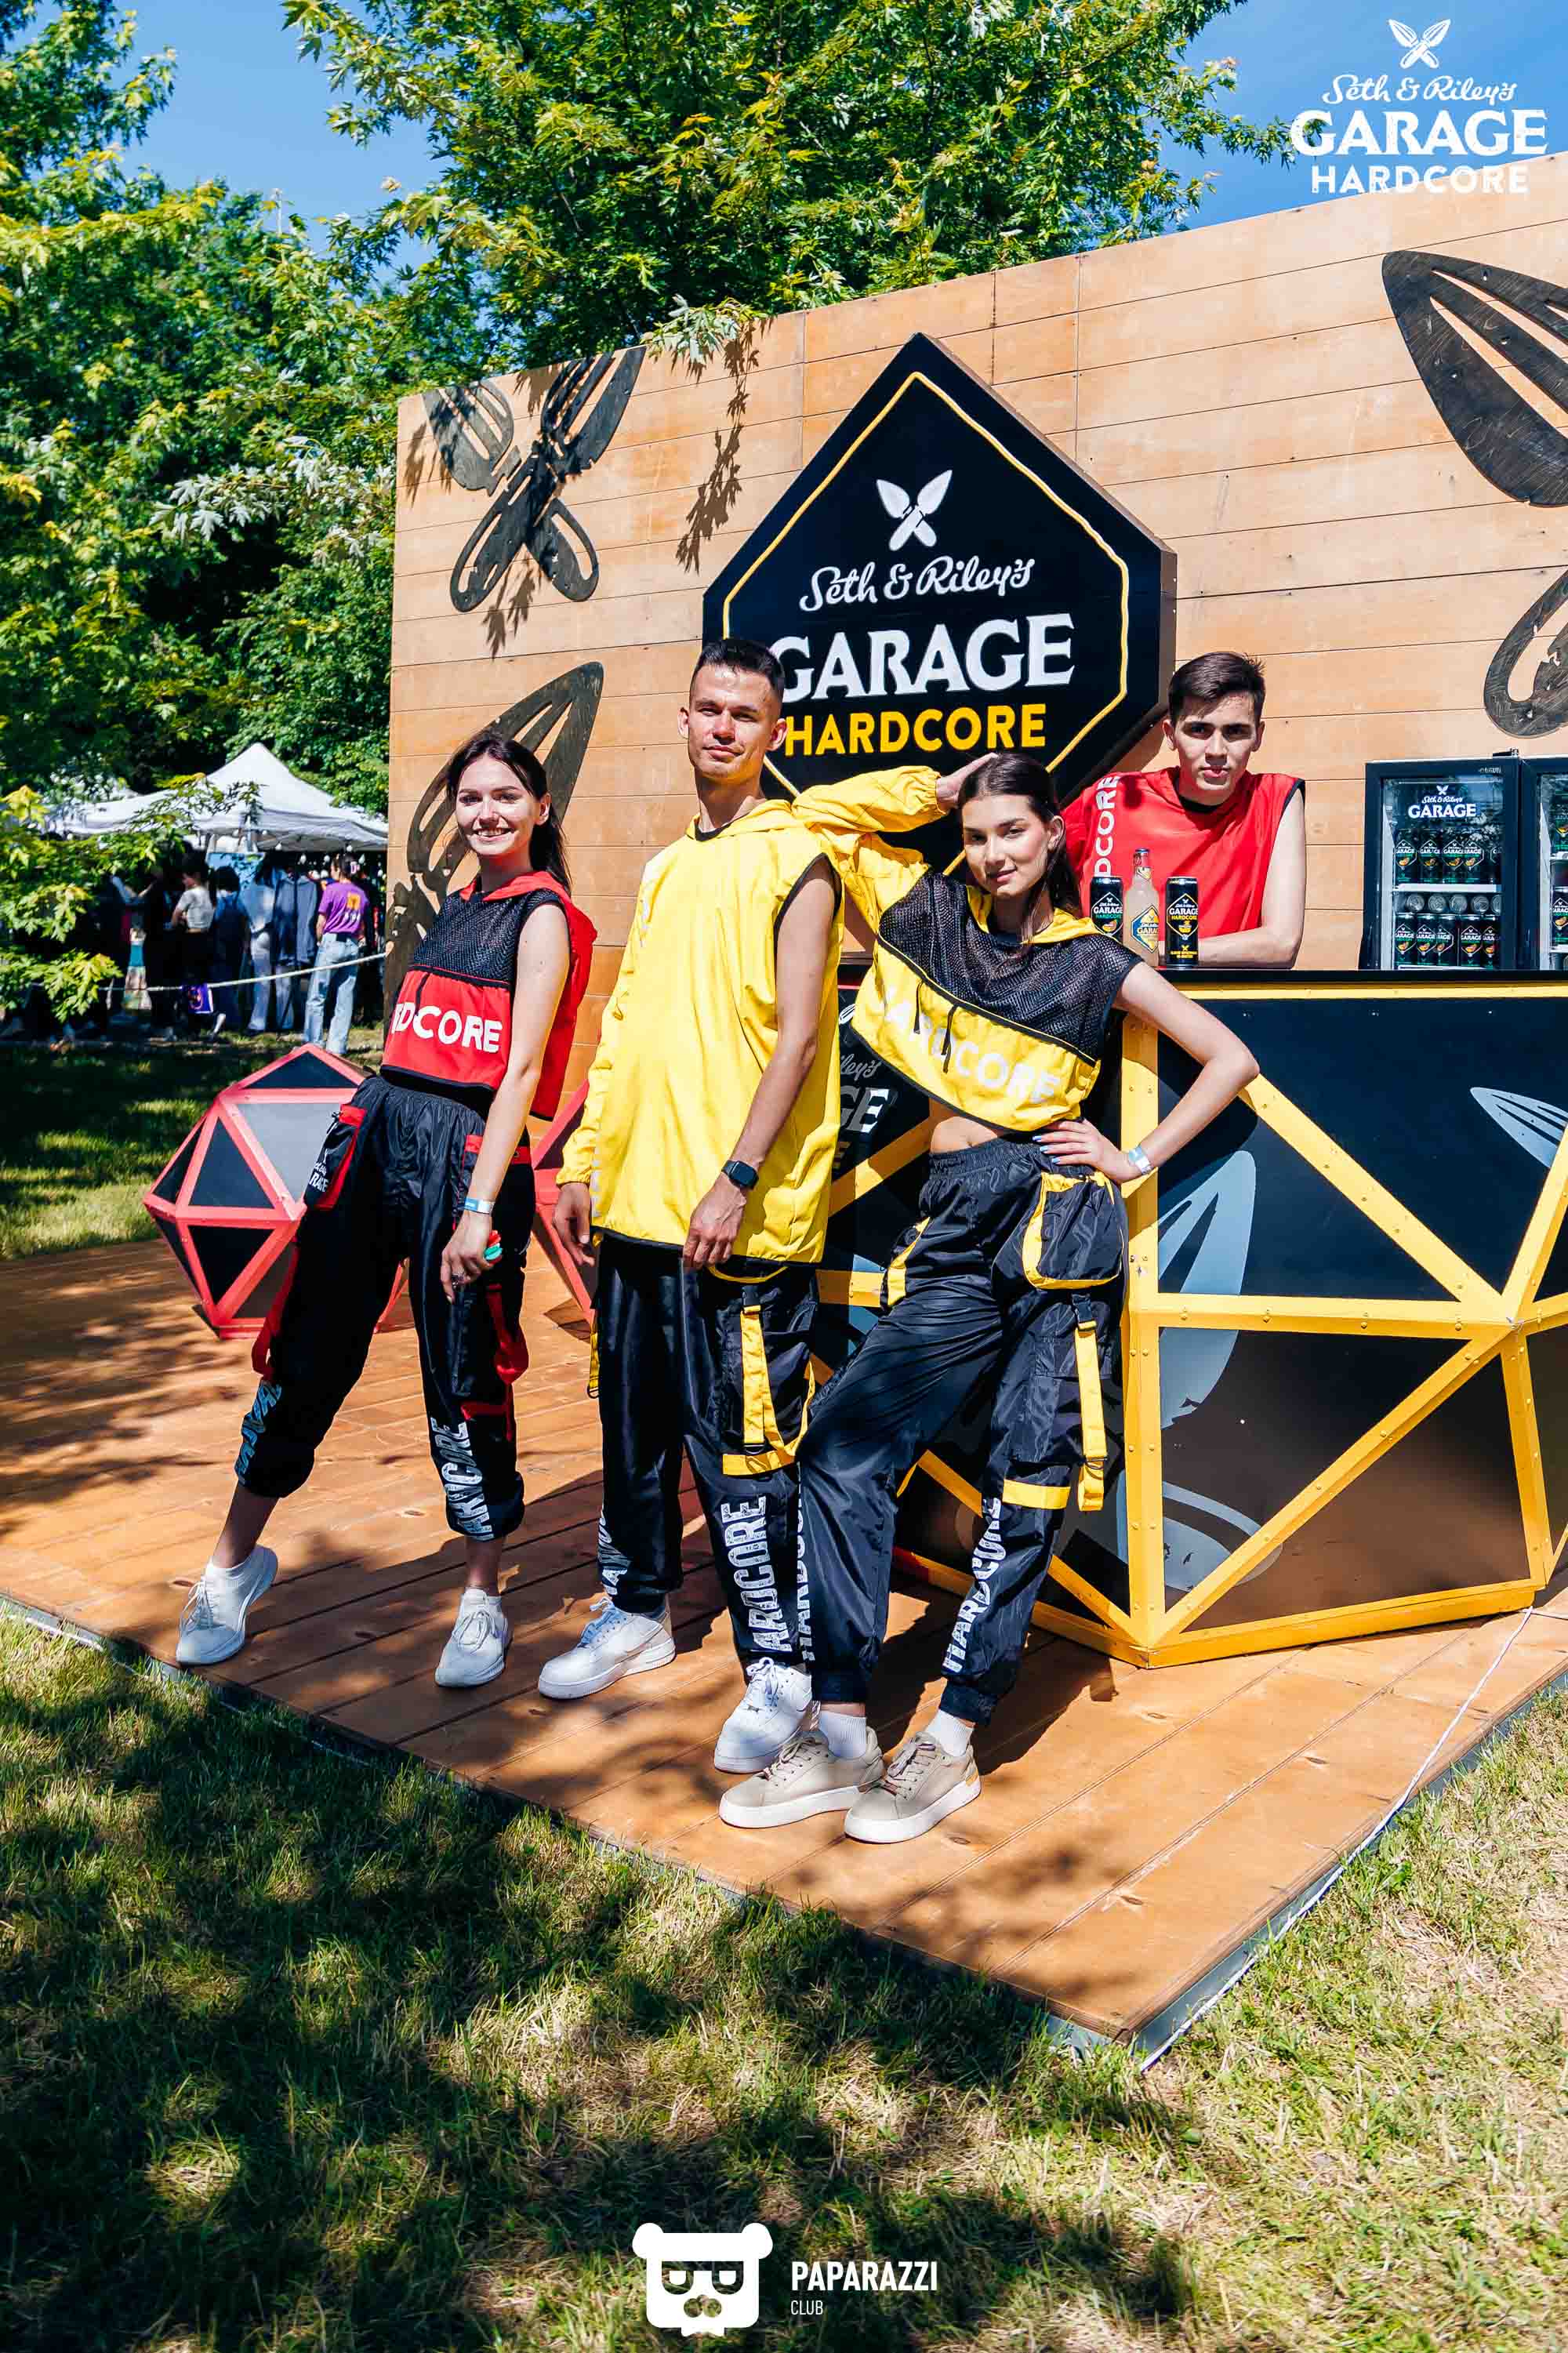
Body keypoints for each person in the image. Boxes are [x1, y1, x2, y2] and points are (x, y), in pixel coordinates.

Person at [717, 753, 1258, 1844]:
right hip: (956, 1223)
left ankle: (954, 1735)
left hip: (1057, 1226)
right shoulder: (923, 915)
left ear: (1052, 834)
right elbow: (816, 819)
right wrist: (936, 788)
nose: (992, 852)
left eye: (1011, 829)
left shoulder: (1095, 958)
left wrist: (1133, 1157)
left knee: (1030, 1476)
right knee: (842, 1447)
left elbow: (1228, 1057)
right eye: (975, 835)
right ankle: (841, 1729)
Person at [175, 732, 597, 1688]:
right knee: (307, 1345)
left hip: (467, 1155)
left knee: (466, 1370)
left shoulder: (544, 915)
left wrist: (478, 1208)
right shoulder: (457, 905)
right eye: (469, 797)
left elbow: (521, 1073)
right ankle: (230, 1567)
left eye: (504, 795)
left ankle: (482, 1597)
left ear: (540, 808)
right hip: (378, 1136)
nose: (485, 812)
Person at [542, 638, 842, 1777]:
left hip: (738, 1224)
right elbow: (622, 1028)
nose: (722, 727)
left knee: (745, 1455)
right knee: (632, 1433)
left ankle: (781, 1664)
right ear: (682, 719)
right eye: (708, 708)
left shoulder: (798, 855)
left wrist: (738, 1176)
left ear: (775, 732)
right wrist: (584, 1159)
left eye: (744, 714)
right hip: (634, 1209)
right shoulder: (667, 866)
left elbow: (801, 1037)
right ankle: (637, 1610)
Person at [1062, 651, 1306, 968]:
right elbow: (1037, 882)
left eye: (1235, 732)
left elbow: (1281, 945)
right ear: (1170, 735)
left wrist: (1147, 952)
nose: (1216, 750)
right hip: (1108, 992)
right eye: (1199, 730)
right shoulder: (1110, 795)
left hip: (1212, 996)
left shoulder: (1274, 797)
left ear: (1258, 737)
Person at [303, 855, 368, 1053]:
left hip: (332, 942)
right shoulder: (361, 894)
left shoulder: (332, 890)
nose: (331, 871)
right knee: (345, 998)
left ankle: (314, 1043)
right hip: (352, 944)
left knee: (317, 995)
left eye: (333, 867)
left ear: (339, 870)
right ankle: (337, 1046)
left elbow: (321, 922)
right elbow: (362, 926)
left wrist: (319, 940)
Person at [270, 857, 321, 1033]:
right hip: (299, 943)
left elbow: (277, 917)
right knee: (299, 986)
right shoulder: (308, 886)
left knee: (285, 985)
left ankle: (286, 1022)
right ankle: (298, 1021)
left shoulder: (303, 886)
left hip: (287, 943)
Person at [169, 858, 215, 1033]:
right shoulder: (209, 893)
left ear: (195, 876)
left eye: (185, 877)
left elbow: (175, 917)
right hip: (207, 939)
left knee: (190, 979)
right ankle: (202, 1015)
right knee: (202, 979)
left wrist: (177, 923)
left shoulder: (189, 895)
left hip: (191, 939)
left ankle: (190, 1019)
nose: (183, 881)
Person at [241, 855, 281, 1032]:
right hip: (275, 934)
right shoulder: (279, 888)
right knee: (282, 981)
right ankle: (283, 1020)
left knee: (262, 981)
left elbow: (245, 918)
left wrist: (246, 941)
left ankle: (258, 1022)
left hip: (257, 935)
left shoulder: (249, 891)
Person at [208, 866, 248, 1036]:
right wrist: (246, 942)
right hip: (236, 946)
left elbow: (214, 919)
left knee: (219, 983)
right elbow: (245, 919)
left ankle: (225, 1017)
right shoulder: (238, 898)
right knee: (232, 983)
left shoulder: (219, 899)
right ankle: (232, 1017)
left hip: (220, 947)